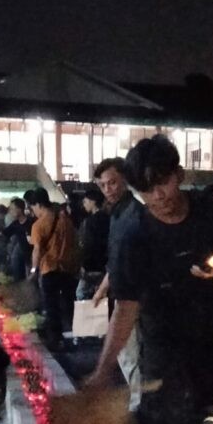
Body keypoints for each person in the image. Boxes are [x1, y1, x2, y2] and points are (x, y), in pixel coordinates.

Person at [85, 136, 213, 424]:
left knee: (207, 410)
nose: (157, 196)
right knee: (160, 412)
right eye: (145, 189)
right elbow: (126, 306)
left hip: (208, 323)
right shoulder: (132, 231)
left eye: (162, 183)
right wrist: (103, 368)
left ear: (179, 175)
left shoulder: (208, 209)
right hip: (160, 328)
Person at [89, 157, 143, 409]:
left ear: (125, 180)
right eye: (103, 185)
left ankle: (138, 404)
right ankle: (139, 401)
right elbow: (115, 260)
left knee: (130, 353)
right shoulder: (117, 214)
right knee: (128, 353)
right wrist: (103, 287)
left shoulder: (135, 212)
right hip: (123, 296)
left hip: (135, 298)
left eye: (112, 182)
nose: (108, 189)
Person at [28, 187, 79, 350]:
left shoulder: (38, 225)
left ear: (38, 205)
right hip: (68, 269)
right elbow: (75, 244)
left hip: (49, 269)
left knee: (51, 306)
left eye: (32, 207)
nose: (33, 211)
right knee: (69, 304)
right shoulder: (66, 220)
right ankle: (74, 337)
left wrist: (33, 270)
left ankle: (56, 340)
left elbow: (37, 250)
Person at [76, 186, 109, 300]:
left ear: (92, 202)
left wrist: (84, 264)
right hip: (106, 264)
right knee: (101, 293)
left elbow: (88, 245)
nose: (84, 204)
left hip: (92, 265)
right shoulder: (109, 218)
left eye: (85, 201)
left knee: (81, 293)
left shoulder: (89, 222)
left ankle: (88, 316)